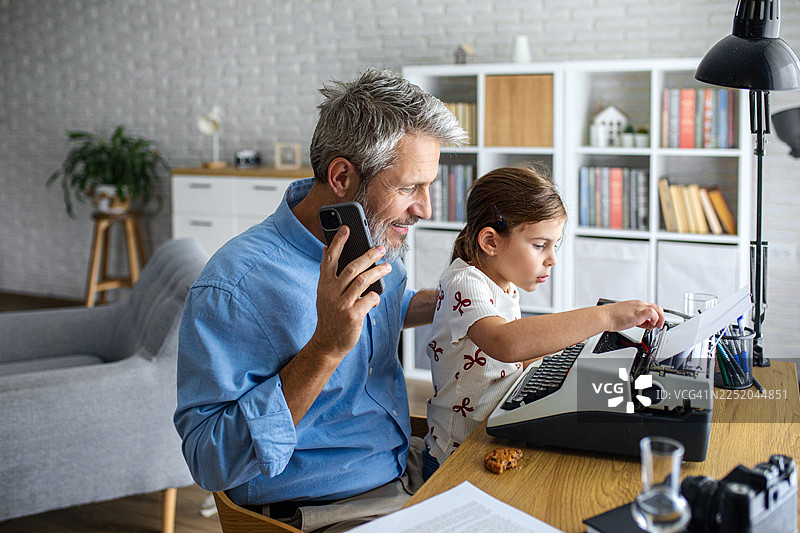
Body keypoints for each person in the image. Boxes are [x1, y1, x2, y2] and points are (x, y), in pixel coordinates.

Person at [174, 68, 467, 532]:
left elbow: (384, 307)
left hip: (403, 465)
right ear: (341, 176)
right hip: (324, 507)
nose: (425, 208)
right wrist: (325, 348)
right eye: (410, 187)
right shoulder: (234, 287)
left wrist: (467, 295)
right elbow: (210, 461)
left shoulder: (373, 242)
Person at [422, 166, 665, 479]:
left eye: (554, 245)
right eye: (540, 245)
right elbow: (505, 344)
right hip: (454, 459)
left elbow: (517, 359)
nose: (552, 259)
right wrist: (605, 317)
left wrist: (572, 350)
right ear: (491, 241)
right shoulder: (465, 282)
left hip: (494, 432)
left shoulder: (503, 283)